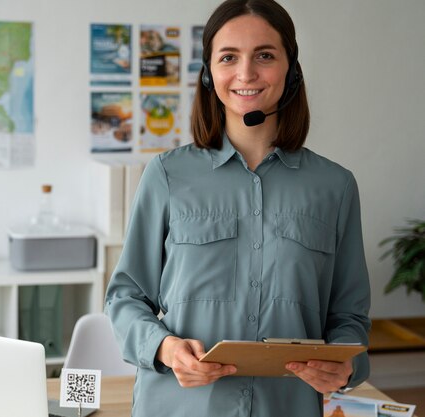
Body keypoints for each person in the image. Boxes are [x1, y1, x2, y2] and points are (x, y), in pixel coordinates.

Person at [103, 0, 371, 416]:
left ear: (291, 70)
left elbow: (349, 316)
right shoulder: (166, 175)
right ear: (210, 74)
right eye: (229, 57)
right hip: (179, 406)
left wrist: (344, 366)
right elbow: (125, 297)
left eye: (264, 55)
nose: (246, 73)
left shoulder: (335, 187)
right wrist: (166, 348)